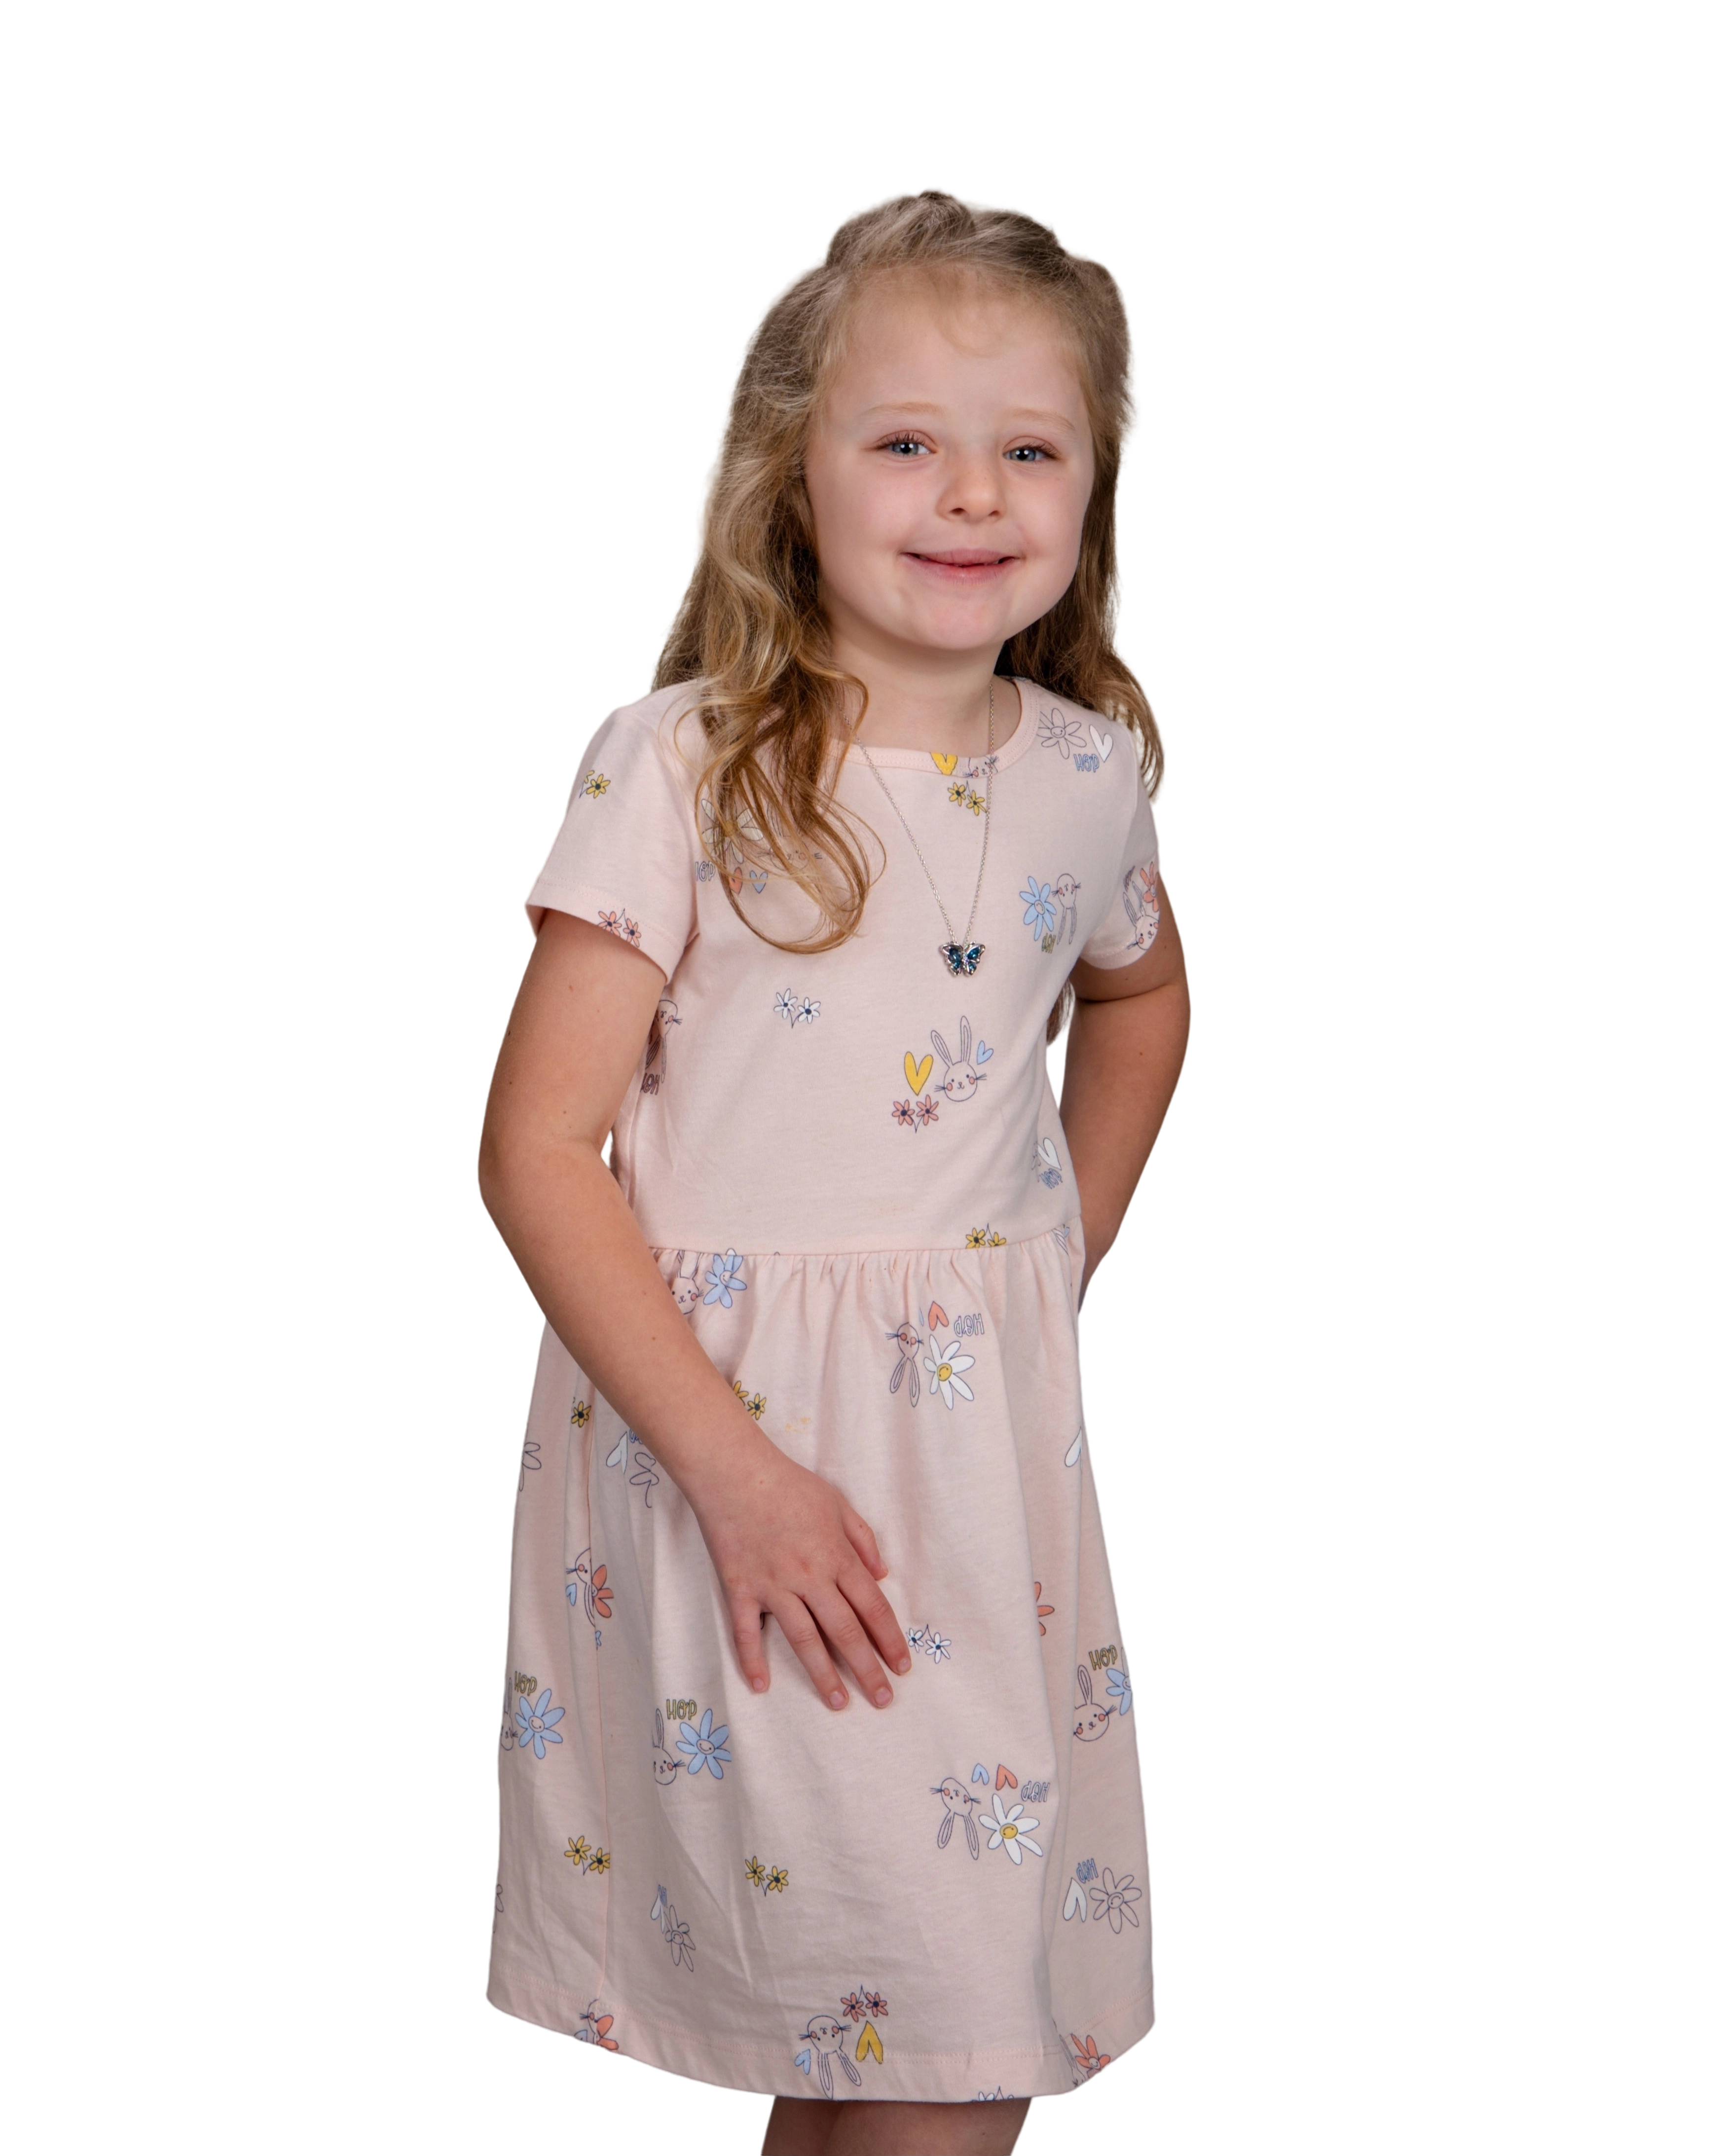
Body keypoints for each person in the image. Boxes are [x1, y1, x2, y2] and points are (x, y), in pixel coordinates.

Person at [475, 182, 1192, 2156]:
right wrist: (741, 1474)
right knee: (922, 2034)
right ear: (791, 472)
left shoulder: (1086, 775)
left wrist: (1045, 1268)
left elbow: (1139, 1004)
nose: (971, 495)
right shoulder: (682, 765)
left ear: (1091, 486)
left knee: (883, 2033)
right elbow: (536, 1149)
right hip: (729, 1458)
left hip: (972, 1481)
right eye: (906, 444)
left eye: (1029, 450)